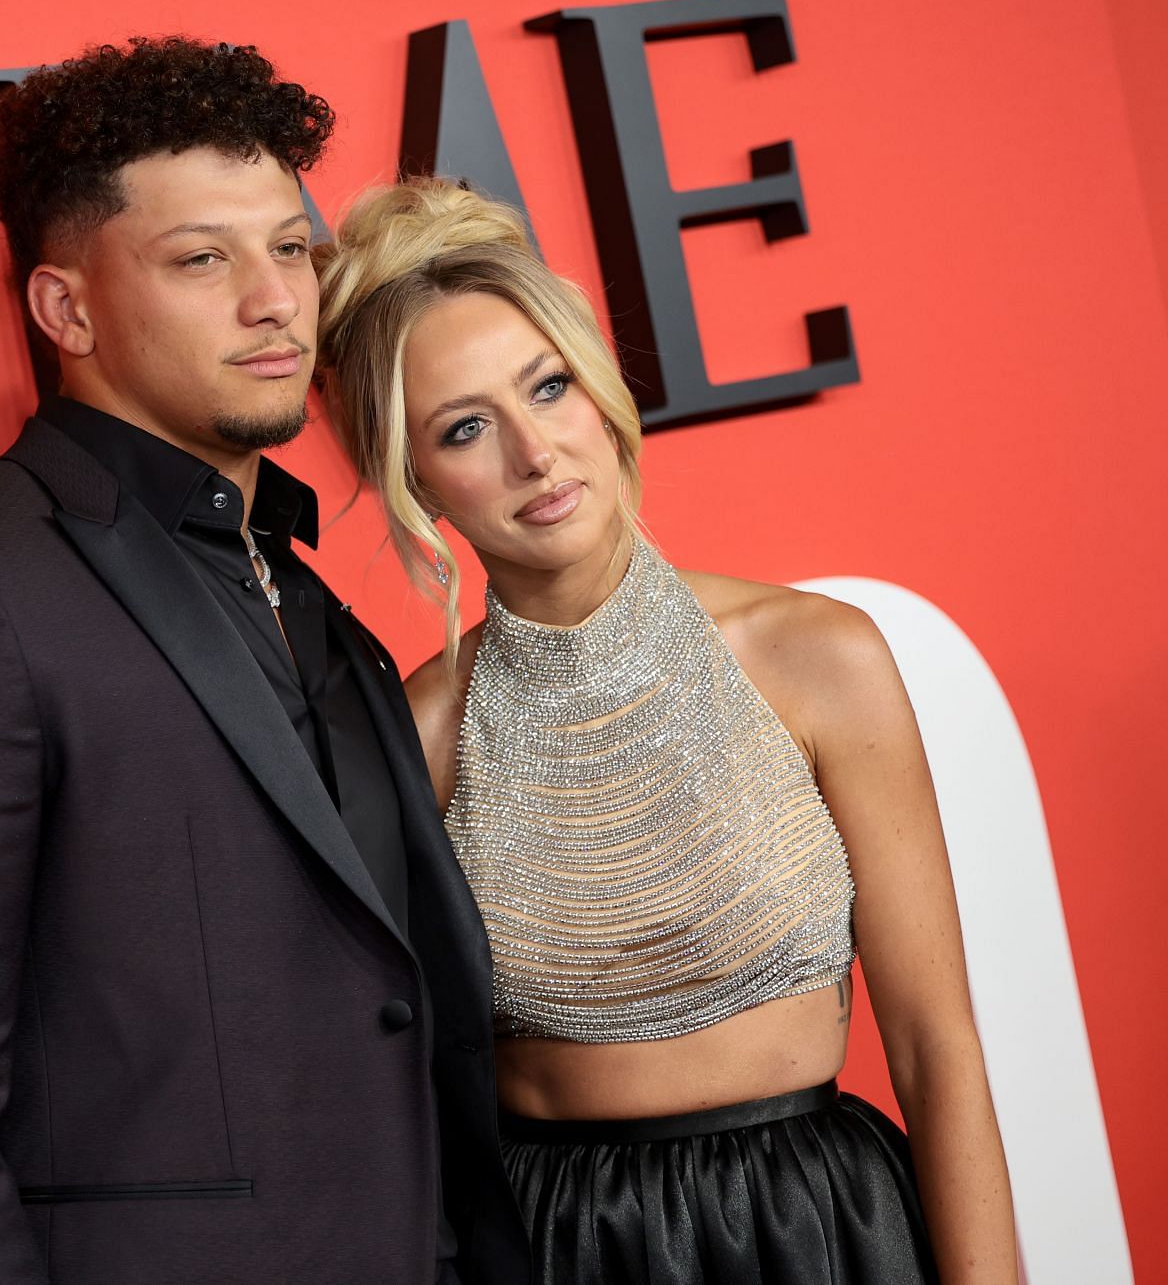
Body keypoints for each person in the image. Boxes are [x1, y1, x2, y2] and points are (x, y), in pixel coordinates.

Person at [0, 41, 531, 1284]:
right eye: (202, 260)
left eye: (290, 248)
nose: (277, 300)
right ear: (65, 310)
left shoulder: (298, 576)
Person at [314, 178, 1017, 1283]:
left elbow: (939, 1050)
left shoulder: (819, 656)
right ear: (415, 480)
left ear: (599, 391)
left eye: (547, 389)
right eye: (465, 429)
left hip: (820, 1229)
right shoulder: (416, 734)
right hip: (559, 1247)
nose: (536, 454)